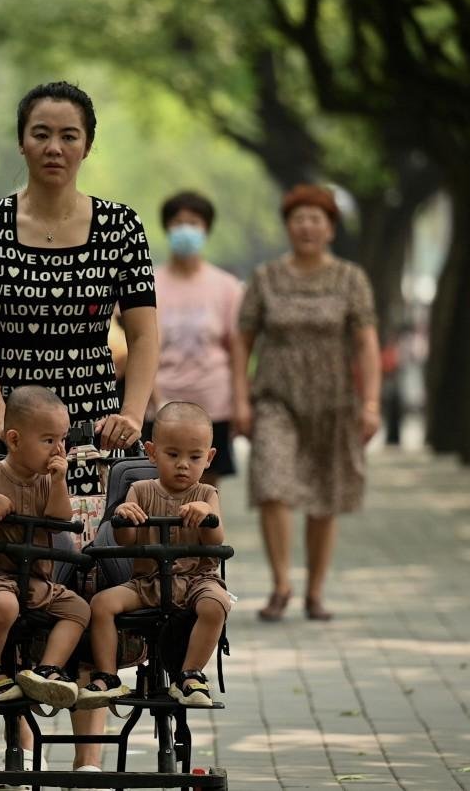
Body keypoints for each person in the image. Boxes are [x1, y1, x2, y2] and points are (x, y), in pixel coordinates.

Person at [0, 80, 158, 780]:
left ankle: (87, 761)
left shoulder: (121, 227)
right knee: (14, 576)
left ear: (87, 145)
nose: (54, 147)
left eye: (69, 135)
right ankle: (24, 741)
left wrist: (133, 412)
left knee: (88, 579)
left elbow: (143, 334)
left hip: (95, 441)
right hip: (11, 441)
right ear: (21, 140)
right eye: (41, 132)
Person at [232, 184, 381, 623]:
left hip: (333, 401)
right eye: (299, 219)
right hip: (275, 398)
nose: (307, 227)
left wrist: (371, 403)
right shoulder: (265, 278)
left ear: (331, 229)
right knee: (272, 485)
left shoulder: (351, 279)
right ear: (288, 227)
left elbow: (366, 343)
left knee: (323, 495)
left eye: (317, 219)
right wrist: (240, 398)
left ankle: (315, 591)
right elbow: (242, 340)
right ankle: (281, 584)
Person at [79, 402, 230, 710]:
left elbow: (217, 540)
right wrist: (124, 516)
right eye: (172, 455)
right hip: (148, 581)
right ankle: (107, 675)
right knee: (101, 604)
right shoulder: (140, 490)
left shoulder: (207, 494)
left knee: (217, 604)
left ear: (209, 457)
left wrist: (207, 516)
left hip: (196, 579)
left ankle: (190, 674)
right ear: (151, 452)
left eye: (194, 457)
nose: (183, 465)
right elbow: (125, 542)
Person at [0, 386, 89, 709]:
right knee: (4, 606)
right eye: (48, 440)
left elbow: (60, 520)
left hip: (36, 580)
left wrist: (59, 483)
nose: (59, 449)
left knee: (79, 609)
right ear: (14, 440)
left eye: (63, 439)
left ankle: (46, 671)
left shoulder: (47, 481)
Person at [146, 191, 244, 488]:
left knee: (206, 491)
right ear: (167, 228)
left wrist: (240, 402)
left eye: (194, 223)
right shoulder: (149, 284)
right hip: (160, 403)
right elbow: (138, 344)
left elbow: (237, 349)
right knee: (154, 489)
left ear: (206, 229)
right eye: (178, 222)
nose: (185, 230)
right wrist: (150, 397)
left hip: (213, 403)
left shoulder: (226, 286)